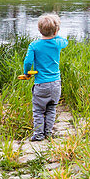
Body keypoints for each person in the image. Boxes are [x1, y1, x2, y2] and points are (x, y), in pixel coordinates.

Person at [23, 13, 68, 141]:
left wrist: (27, 73)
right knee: (51, 108)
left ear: (39, 29)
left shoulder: (34, 45)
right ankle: (48, 132)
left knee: (38, 110)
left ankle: (38, 135)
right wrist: (56, 34)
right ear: (56, 30)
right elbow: (66, 41)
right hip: (55, 83)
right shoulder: (58, 43)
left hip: (41, 84)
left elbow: (28, 62)